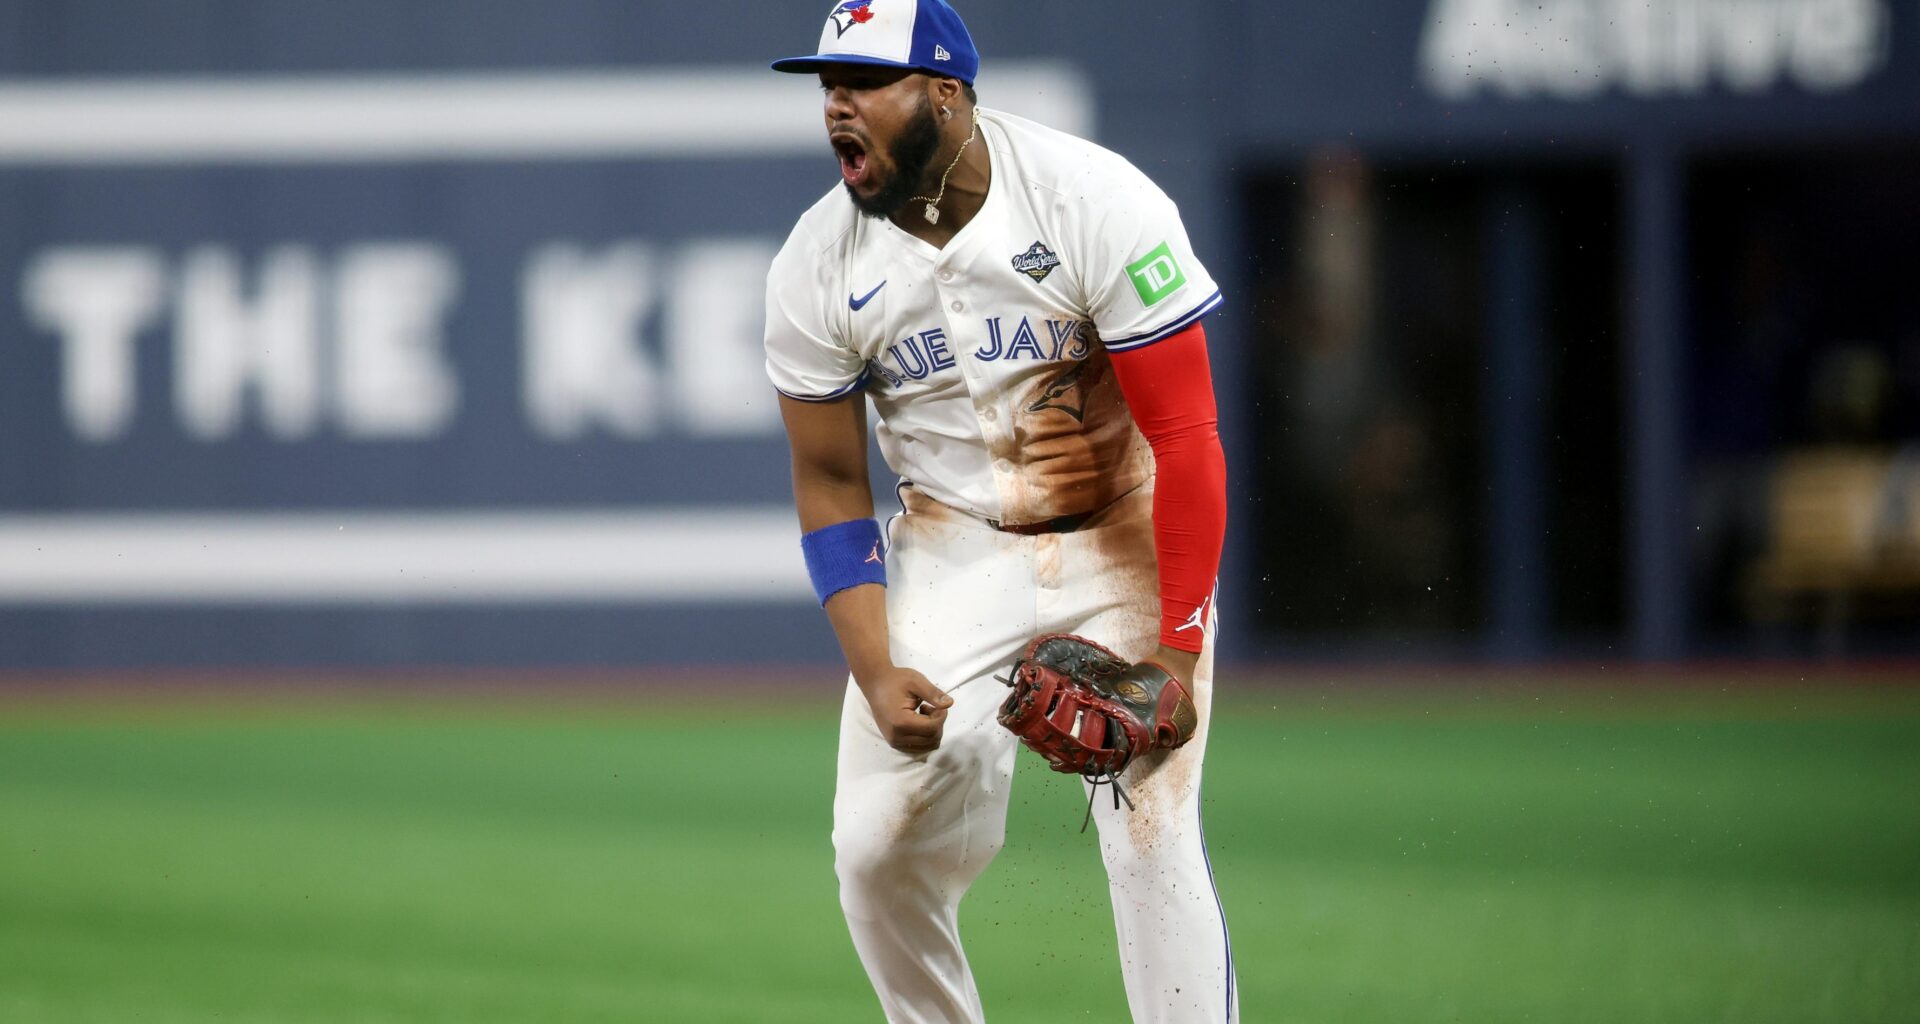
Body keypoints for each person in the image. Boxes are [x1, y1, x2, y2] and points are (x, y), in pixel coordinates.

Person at [763, 2, 1234, 1020]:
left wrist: (1179, 655)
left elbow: (1188, 437)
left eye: (863, 83)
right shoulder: (817, 262)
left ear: (945, 93)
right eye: (826, 87)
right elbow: (833, 485)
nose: (836, 106)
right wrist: (876, 668)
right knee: (872, 851)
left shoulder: (1090, 199)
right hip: (952, 547)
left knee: (1149, 820)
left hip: (1121, 529)